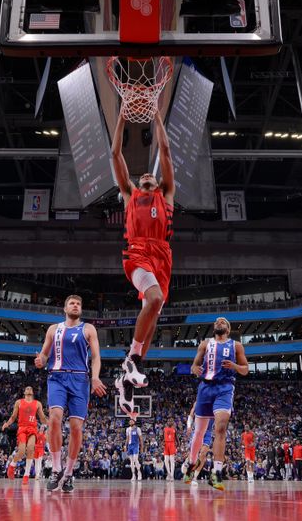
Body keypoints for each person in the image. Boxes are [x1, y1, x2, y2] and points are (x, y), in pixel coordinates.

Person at [111, 110, 175, 417]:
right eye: (143, 175)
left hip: (162, 258)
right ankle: (131, 361)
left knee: (151, 321)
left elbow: (165, 150)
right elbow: (114, 152)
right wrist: (123, 118)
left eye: (151, 175)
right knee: (155, 299)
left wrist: (158, 117)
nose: (147, 175)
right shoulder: (129, 194)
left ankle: (126, 380)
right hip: (136, 253)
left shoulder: (167, 195)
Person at [35, 294, 106, 493]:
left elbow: (96, 356)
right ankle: (56, 468)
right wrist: (40, 360)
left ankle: (68, 472)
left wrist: (95, 377)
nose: (75, 306)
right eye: (72, 303)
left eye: (78, 304)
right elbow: (44, 354)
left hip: (80, 379)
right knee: (55, 418)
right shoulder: (53, 329)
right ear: (65, 308)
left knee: (76, 428)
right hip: (57, 377)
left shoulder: (88, 328)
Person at [184, 317, 248, 491]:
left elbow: (245, 369)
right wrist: (194, 369)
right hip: (205, 387)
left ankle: (217, 473)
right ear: (214, 328)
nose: (219, 322)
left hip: (225, 387)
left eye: (223, 321)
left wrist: (234, 365)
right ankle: (191, 464)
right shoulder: (205, 344)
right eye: (217, 322)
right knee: (199, 432)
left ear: (228, 329)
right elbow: (194, 366)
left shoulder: (236, 346)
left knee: (220, 428)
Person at [2, 386, 47, 484]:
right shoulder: (19, 402)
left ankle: (26, 475)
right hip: (22, 428)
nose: (29, 389)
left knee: (31, 448)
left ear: (33, 392)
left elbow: (42, 418)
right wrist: (7, 424)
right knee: (21, 451)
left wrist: (50, 423)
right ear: (24, 392)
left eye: (31, 388)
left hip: (32, 428)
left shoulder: (37, 403)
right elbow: (14, 416)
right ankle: (12, 465)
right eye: (27, 388)